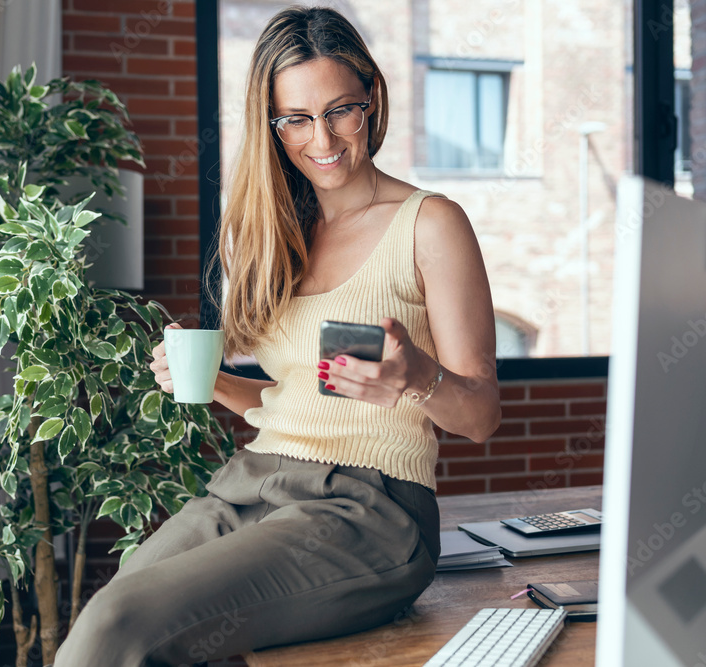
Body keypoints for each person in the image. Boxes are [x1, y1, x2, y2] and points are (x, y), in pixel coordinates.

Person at [54, 5, 500, 666]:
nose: (321, 138)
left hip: (369, 508)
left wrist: (417, 377)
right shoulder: (282, 232)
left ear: (372, 99)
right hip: (254, 480)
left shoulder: (429, 224)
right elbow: (299, 396)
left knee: (115, 626)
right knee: (109, 611)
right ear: (273, 126)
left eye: (339, 109)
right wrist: (211, 383)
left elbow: (483, 415)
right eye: (295, 118)